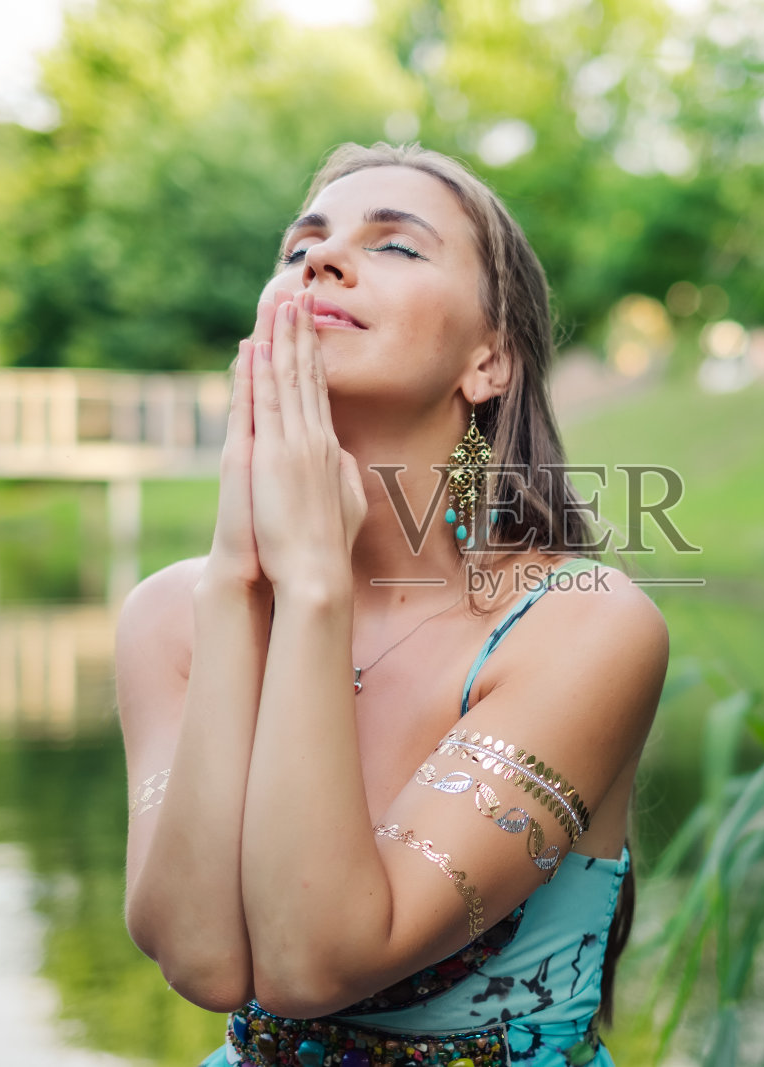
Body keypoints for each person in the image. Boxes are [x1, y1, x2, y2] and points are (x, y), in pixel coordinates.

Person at [113, 141, 670, 1067]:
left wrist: (316, 587)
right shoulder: (173, 615)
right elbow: (202, 959)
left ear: (489, 361)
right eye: (300, 248)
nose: (320, 261)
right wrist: (239, 584)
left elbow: (312, 963)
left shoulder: (585, 624)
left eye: (397, 247)